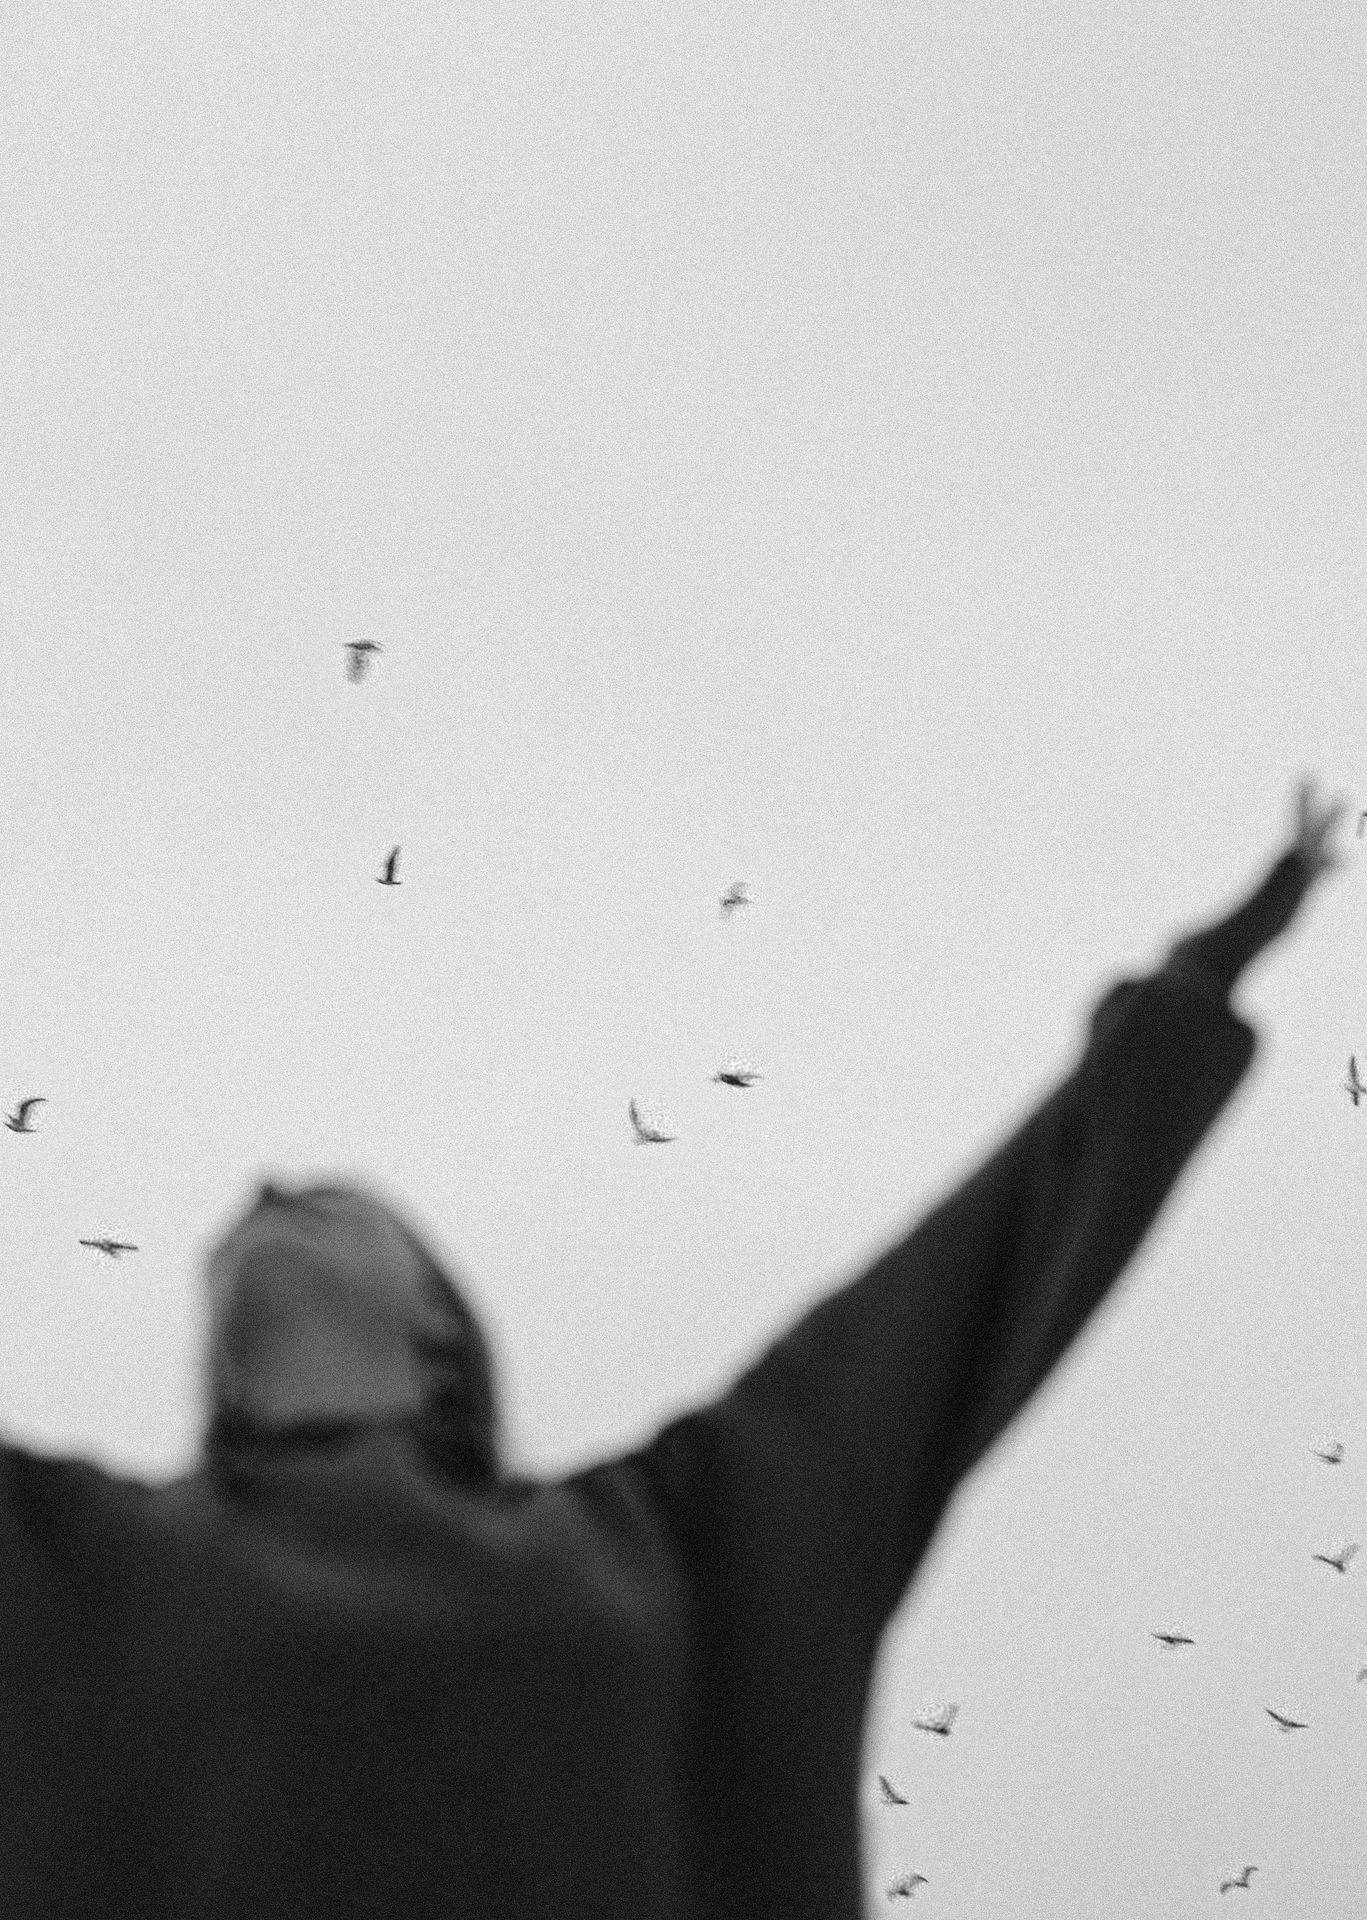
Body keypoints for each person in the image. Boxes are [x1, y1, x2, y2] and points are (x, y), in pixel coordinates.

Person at [0, 778, 1347, 1920]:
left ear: (440, 1328)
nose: (269, 1188)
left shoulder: (690, 1542)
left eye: (328, 1205)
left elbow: (970, 1282)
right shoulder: (72, 1567)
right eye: (253, 1219)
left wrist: (1191, 991)